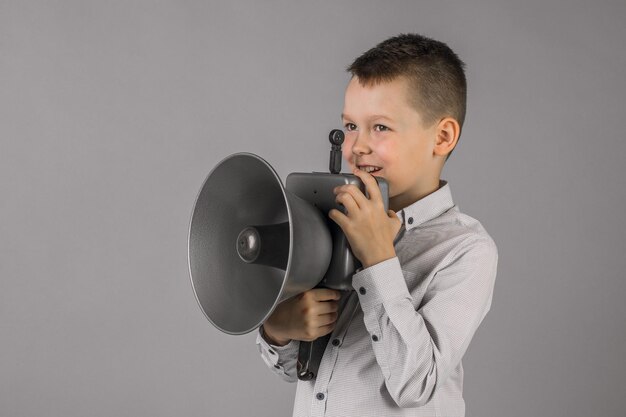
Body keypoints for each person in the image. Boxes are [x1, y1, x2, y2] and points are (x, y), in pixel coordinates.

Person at [256, 33, 498, 417]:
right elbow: (298, 371)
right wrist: (279, 331)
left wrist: (378, 259)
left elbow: (416, 384)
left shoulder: (466, 249)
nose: (357, 147)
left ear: (442, 136)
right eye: (350, 126)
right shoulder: (332, 222)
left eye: (380, 128)